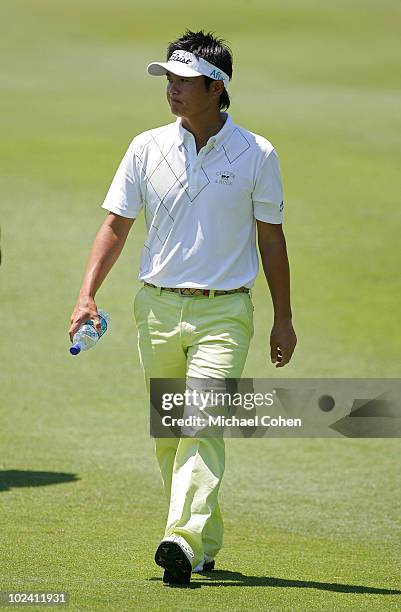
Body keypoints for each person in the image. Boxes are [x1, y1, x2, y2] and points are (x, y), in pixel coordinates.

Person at [69, 30, 297, 585]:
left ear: (216, 87)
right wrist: (86, 292)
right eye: (168, 79)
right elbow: (116, 225)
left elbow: (272, 239)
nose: (170, 89)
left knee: (202, 422)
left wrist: (283, 317)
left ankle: (180, 539)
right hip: (157, 310)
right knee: (171, 434)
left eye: (182, 80)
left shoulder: (257, 153)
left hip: (225, 313)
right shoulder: (145, 146)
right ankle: (204, 542)